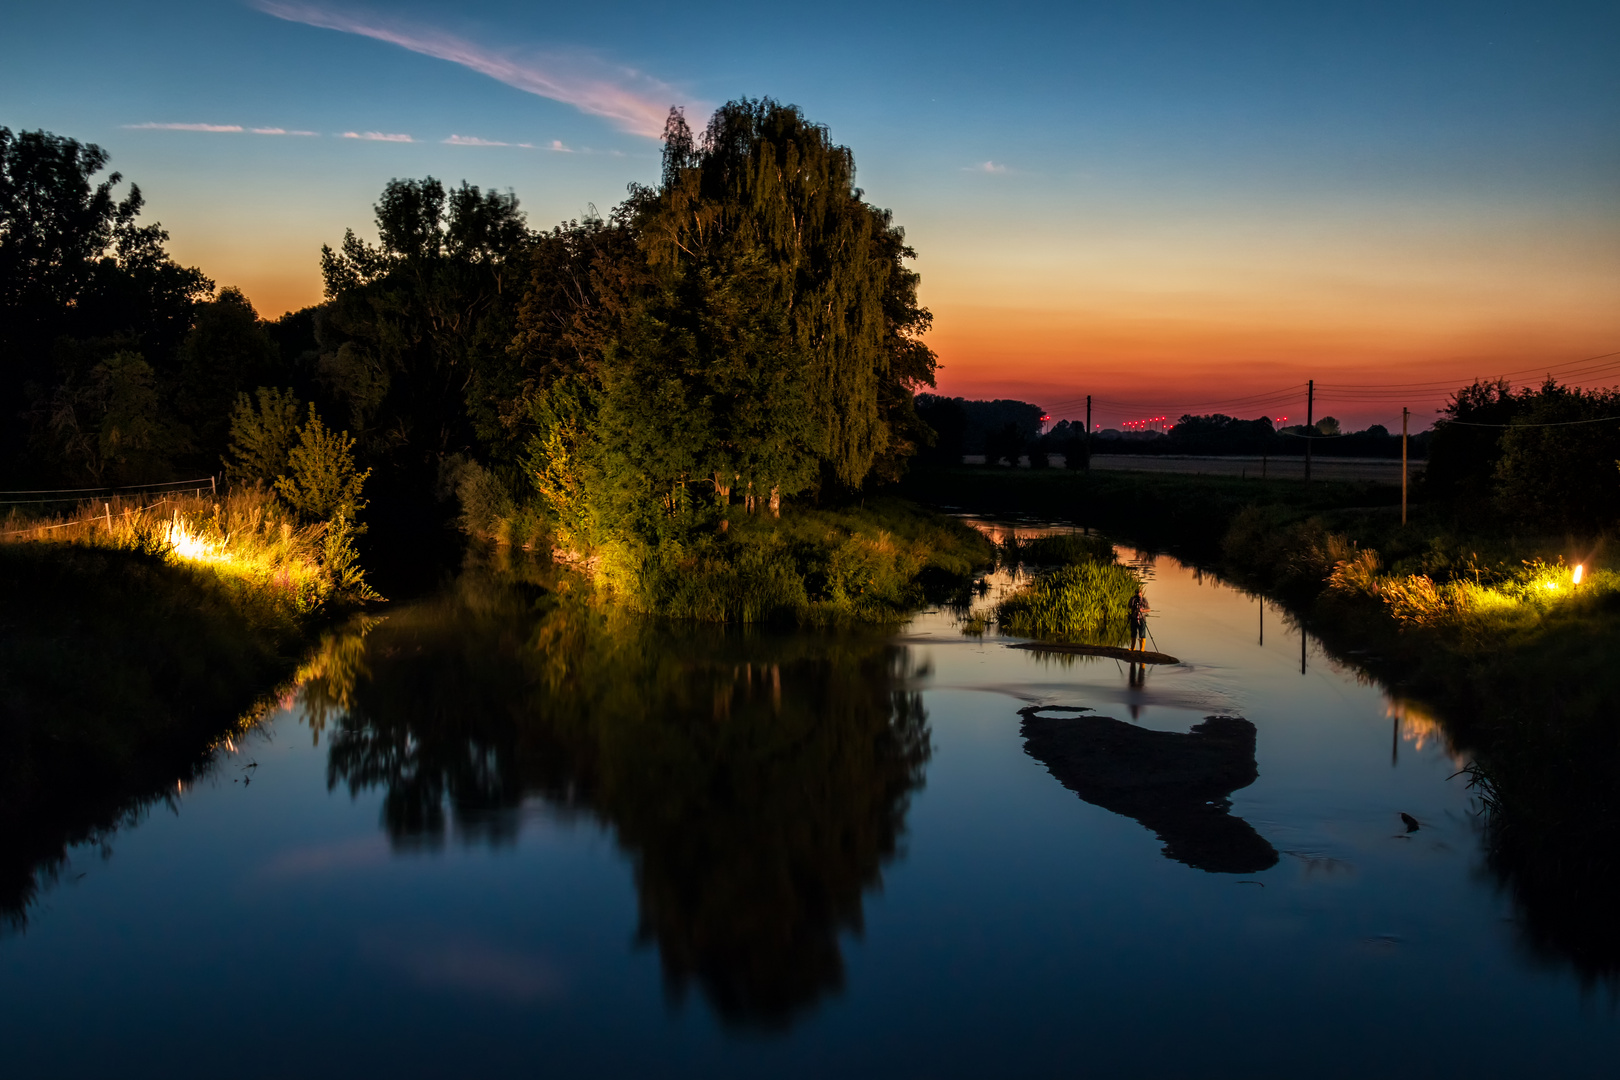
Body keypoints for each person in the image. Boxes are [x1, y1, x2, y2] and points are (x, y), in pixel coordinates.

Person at [1128, 586, 1149, 651]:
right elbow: (1129, 606)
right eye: (1137, 593)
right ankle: (1132, 648)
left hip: (1141, 618)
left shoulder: (1144, 600)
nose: (1138, 595)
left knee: (1142, 633)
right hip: (1134, 618)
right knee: (1133, 632)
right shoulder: (1133, 599)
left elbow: (1148, 609)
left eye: (1139, 593)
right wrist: (1133, 601)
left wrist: (1142, 610)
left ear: (1141, 593)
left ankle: (1142, 649)